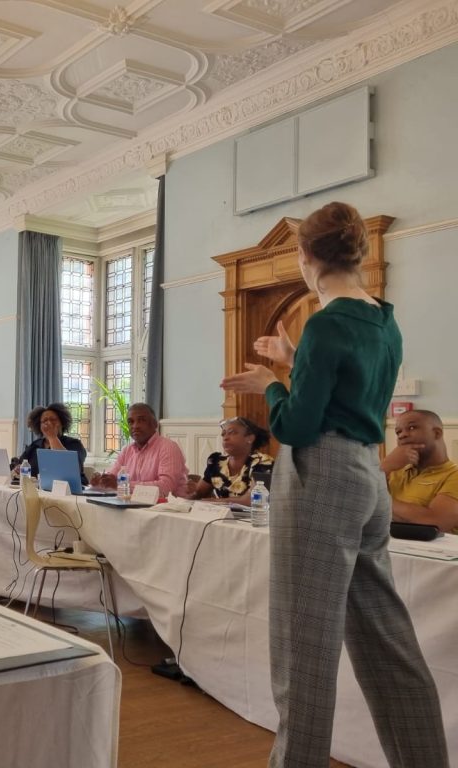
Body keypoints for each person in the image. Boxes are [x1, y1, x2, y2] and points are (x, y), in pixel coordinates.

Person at [220, 202, 447, 767]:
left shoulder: (325, 321)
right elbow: (351, 394)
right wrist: (295, 363)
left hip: (320, 476)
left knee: (304, 649)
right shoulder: (382, 316)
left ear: (305, 257)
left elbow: (297, 424)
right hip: (367, 476)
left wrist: (271, 384)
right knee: (386, 641)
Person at [381, 409, 458, 534]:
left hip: (433, 551)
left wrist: (378, 501)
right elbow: (359, 506)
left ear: (437, 433)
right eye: (398, 432)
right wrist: (383, 467)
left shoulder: (453, 475)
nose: (402, 435)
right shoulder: (393, 471)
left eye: (412, 427)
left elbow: (435, 522)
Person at [90, 403, 189, 497]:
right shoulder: (127, 450)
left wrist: (122, 485)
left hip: (173, 508)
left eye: (141, 420)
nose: (135, 426)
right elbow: (113, 478)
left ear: (155, 424)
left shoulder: (168, 447)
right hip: (137, 506)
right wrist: (101, 481)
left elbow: (166, 487)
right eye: (131, 422)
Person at [191, 416, 274, 502]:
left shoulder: (263, 462)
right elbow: (199, 493)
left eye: (232, 433)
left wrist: (214, 503)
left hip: (251, 515)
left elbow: (252, 500)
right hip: (221, 514)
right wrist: (190, 492)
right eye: (223, 434)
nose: (225, 438)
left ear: (250, 438)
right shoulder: (216, 461)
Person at [15, 403, 87, 485]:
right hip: (40, 489)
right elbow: (21, 464)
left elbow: (68, 467)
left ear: (62, 423)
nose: (49, 423)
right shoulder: (35, 446)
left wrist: (52, 437)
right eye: (44, 421)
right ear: (40, 426)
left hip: (71, 491)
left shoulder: (74, 444)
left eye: (53, 419)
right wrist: (17, 469)